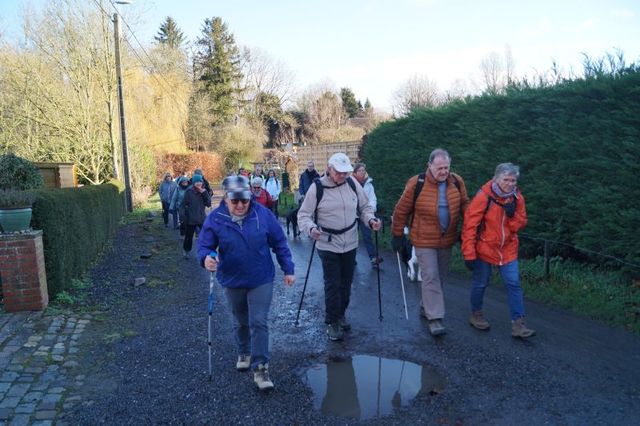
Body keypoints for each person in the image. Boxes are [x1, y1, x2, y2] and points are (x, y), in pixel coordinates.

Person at [197, 175, 295, 391]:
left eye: (245, 200)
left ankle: (261, 369)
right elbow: (204, 246)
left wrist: (288, 268)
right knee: (240, 319)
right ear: (226, 199)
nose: (241, 205)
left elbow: (279, 242)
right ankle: (244, 351)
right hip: (232, 278)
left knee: (258, 321)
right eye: (235, 201)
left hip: (261, 277)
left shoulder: (263, 215)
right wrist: (206, 258)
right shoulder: (215, 218)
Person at [298, 153, 381, 341]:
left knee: (346, 283)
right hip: (327, 244)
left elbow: (365, 208)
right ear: (329, 168)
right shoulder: (317, 188)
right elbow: (303, 216)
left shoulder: (352, 184)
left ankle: (341, 314)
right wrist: (310, 228)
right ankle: (332, 322)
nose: (343, 176)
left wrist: (371, 220)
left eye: (346, 172)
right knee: (333, 284)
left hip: (350, 242)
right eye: (339, 172)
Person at [391, 148, 469, 336]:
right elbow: (401, 210)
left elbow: (465, 204)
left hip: (446, 239)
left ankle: (426, 306)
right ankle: (435, 319)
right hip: (423, 239)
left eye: (446, 167)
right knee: (431, 275)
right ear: (429, 166)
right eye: (439, 168)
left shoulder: (456, 181)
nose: (443, 172)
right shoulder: (417, 183)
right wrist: (397, 234)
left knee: (440, 277)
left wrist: (472, 227)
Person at [461, 163, 535, 338]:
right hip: (484, 249)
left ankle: (518, 324)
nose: (510, 184)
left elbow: (521, 222)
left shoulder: (517, 198)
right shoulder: (484, 196)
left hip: (508, 248)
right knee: (481, 283)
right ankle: (476, 314)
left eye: (513, 180)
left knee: (514, 284)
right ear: (496, 179)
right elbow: (470, 226)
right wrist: (469, 254)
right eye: (506, 180)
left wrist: (512, 216)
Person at [353, 163, 382, 267]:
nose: (362, 172)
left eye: (363, 170)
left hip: (365, 215)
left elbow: (372, 199)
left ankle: (373, 258)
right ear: (355, 172)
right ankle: (351, 259)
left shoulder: (369, 184)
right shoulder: (351, 183)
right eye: (360, 170)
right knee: (352, 238)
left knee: (367, 237)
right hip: (353, 215)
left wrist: (371, 210)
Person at [182, 174, 211, 258]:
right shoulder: (189, 192)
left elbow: (208, 204)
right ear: (193, 183)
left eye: (200, 182)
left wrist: (204, 193)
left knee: (206, 236)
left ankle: (206, 252)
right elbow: (183, 205)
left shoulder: (204, 191)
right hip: (191, 219)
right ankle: (186, 250)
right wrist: (183, 216)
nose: (199, 183)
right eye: (197, 182)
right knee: (189, 237)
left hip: (201, 218)